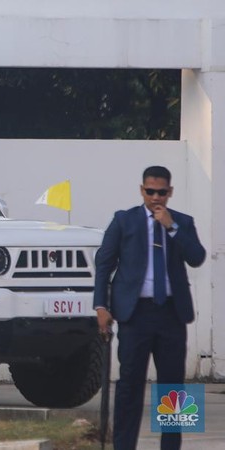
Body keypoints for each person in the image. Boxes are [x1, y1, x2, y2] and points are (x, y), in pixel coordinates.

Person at [94, 166, 206, 450]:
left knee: (173, 389)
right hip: (135, 314)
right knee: (130, 385)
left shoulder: (183, 221)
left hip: (172, 313)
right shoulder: (124, 221)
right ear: (141, 190)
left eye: (162, 192)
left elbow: (197, 257)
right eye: (150, 191)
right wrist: (101, 306)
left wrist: (172, 227)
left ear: (170, 192)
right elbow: (104, 264)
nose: (156, 197)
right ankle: (123, 446)